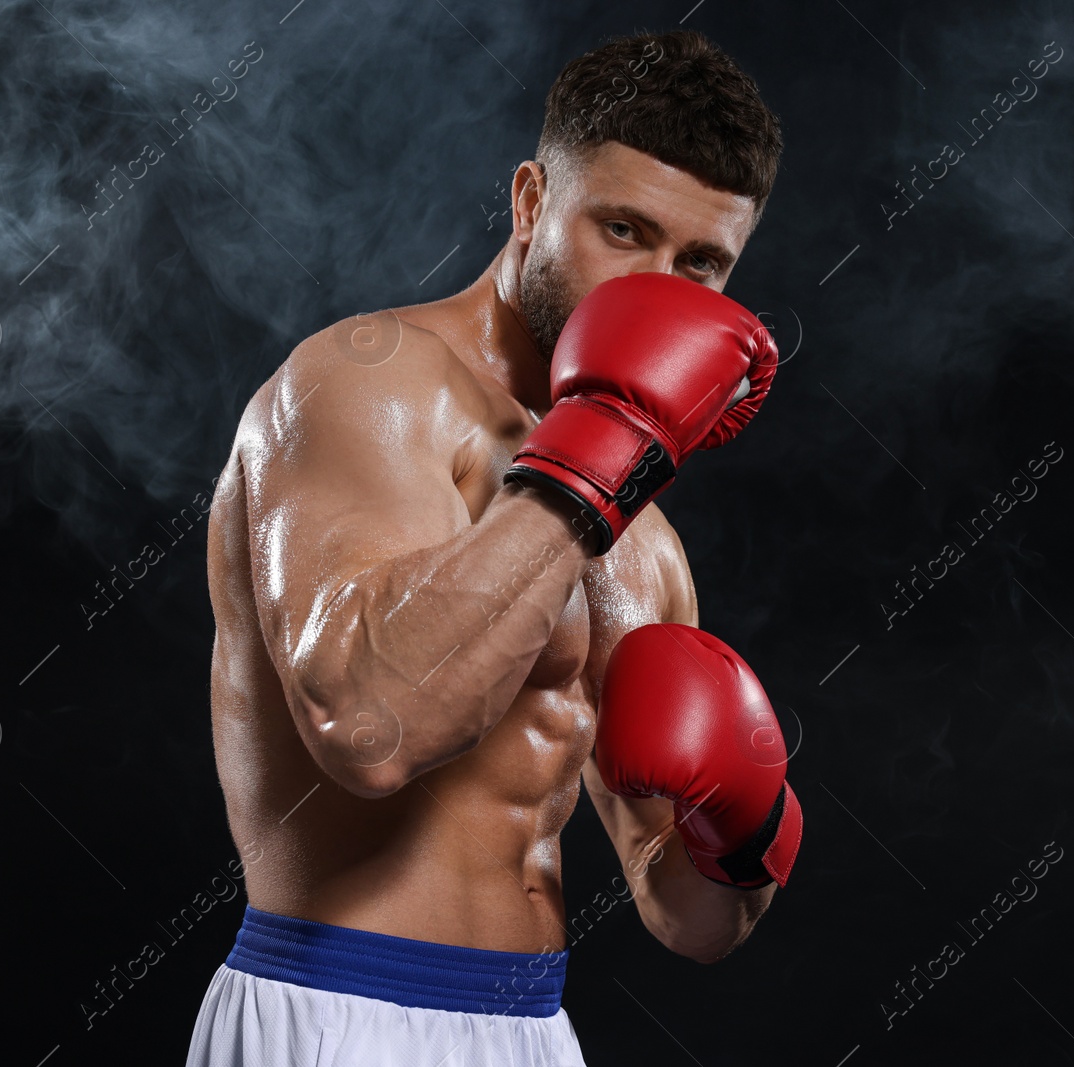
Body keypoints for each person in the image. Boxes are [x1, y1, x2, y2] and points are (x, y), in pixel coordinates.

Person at [187, 28, 800, 1066]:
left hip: (529, 1029)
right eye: (622, 228)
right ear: (529, 204)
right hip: (340, 1009)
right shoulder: (367, 384)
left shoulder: (644, 539)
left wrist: (747, 820)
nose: (657, 287)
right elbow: (365, 722)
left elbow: (690, 920)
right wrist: (603, 451)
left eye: (701, 263)